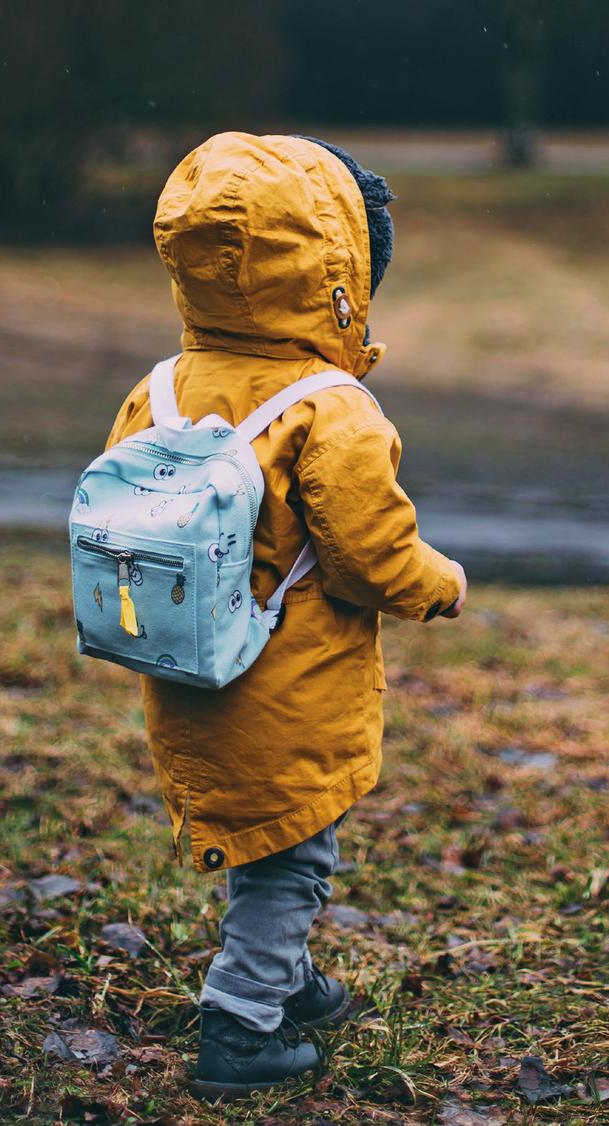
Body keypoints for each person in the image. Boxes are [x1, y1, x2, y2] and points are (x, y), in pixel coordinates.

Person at [105, 132, 467, 1100]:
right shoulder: (329, 407)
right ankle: (244, 1019)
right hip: (289, 683)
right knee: (294, 854)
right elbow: (367, 552)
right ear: (337, 276)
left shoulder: (162, 390)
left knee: (268, 837)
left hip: (189, 673)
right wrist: (438, 582)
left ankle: (286, 975)